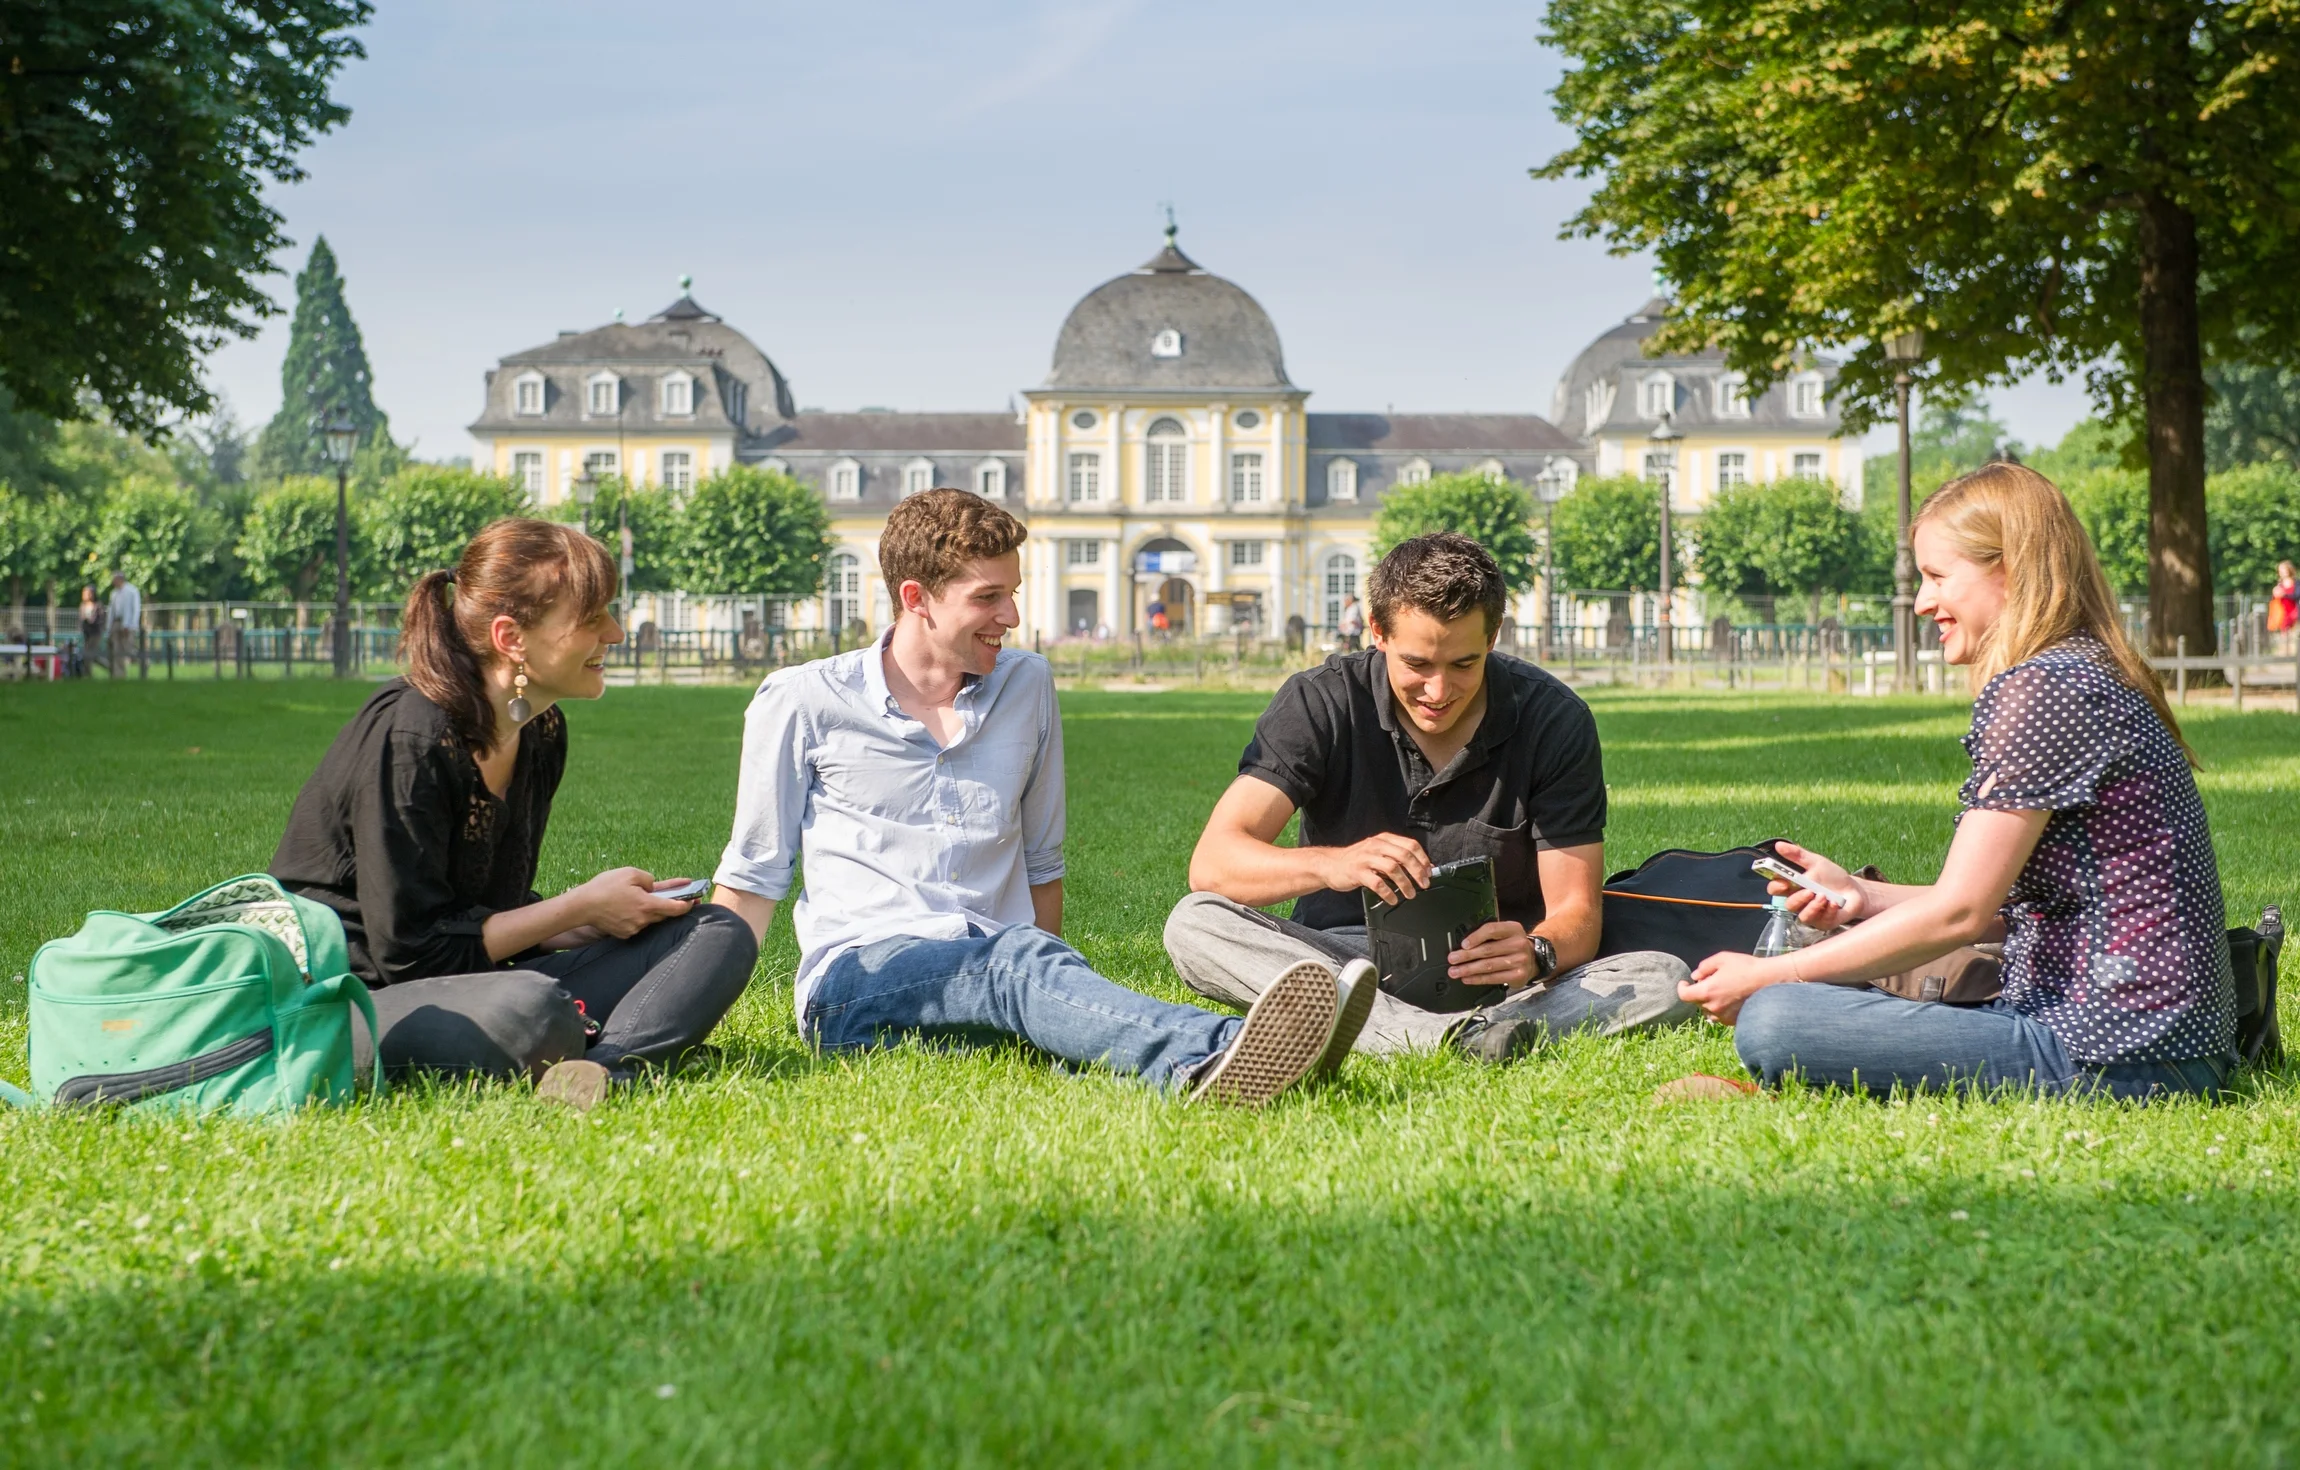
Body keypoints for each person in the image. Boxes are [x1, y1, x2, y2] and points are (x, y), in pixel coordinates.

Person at [709, 488, 1365, 1107]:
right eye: (989, 597)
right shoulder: (802, 699)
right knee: (1010, 965)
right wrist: (694, 1024)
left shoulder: (1026, 683)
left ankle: (1254, 1059)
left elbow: (1042, 861)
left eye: (1014, 593)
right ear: (918, 598)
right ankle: (1218, 1054)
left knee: (1036, 995)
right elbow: (753, 877)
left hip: (1001, 967)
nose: (1013, 617)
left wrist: (1052, 977)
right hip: (859, 980)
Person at [1681, 464, 2239, 1101]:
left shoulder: (2046, 689)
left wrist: (1770, 978)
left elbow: (1961, 913)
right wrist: (1860, 896)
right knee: (1837, 980)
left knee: (1776, 1018)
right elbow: (2002, 903)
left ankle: (1802, 1061)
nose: (1922, 602)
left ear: (2010, 571)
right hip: (2156, 1040)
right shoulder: (2084, 670)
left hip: (2119, 1056)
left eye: (1938, 576)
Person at [269, 518, 757, 1110]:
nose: (617, 633)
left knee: (715, 932)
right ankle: (619, 1043)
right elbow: (413, 957)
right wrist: (576, 906)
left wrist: (598, 921)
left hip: (476, 982)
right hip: (358, 1000)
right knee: (533, 1010)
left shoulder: (540, 730)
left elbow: (487, 913)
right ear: (511, 637)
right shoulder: (411, 739)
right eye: (591, 618)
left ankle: (604, 1070)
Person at [1165, 532, 1698, 1064]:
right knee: (1195, 923)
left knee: (1661, 977)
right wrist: (1335, 864)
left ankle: (1399, 1032)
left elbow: (1576, 911)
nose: (1438, 691)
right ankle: (1448, 1039)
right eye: (1418, 664)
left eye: (1464, 664)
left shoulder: (1554, 718)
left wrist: (1537, 952)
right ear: (1377, 632)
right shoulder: (1319, 701)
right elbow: (1214, 864)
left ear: (1494, 637)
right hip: (1342, 961)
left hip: (1494, 976)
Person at [105, 571, 140, 677]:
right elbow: (112, 610)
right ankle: (119, 674)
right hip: (116, 622)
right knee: (117, 649)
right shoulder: (114, 593)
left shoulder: (132, 591)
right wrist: (109, 627)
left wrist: (131, 625)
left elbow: (135, 609)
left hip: (128, 624)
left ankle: (143, 664)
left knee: (129, 648)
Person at [2270, 560, 2298, 652]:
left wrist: (2284, 594)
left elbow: (2296, 595)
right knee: (2284, 634)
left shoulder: (2296, 583)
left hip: (2294, 611)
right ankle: (2286, 653)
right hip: (2283, 612)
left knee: (2293, 634)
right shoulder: (2279, 584)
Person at [76, 586, 103, 678]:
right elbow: (80, 620)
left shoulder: (97, 605)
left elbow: (100, 619)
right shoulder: (82, 606)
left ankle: (88, 674)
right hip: (86, 634)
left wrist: (90, 621)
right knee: (91, 655)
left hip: (95, 634)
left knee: (89, 654)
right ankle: (109, 667)